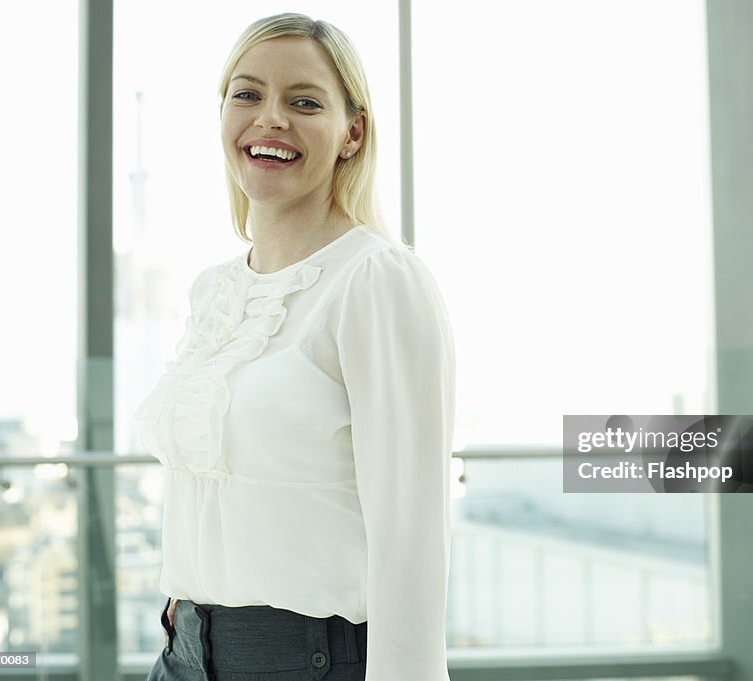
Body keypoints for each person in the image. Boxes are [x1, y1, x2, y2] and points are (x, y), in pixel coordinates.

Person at [135, 12, 456, 681]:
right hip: (182, 652)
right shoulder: (213, 292)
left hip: (303, 661)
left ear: (352, 132)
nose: (270, 119)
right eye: (247, 95)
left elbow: (411, 540)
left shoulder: (375, 281)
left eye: (304, 102)